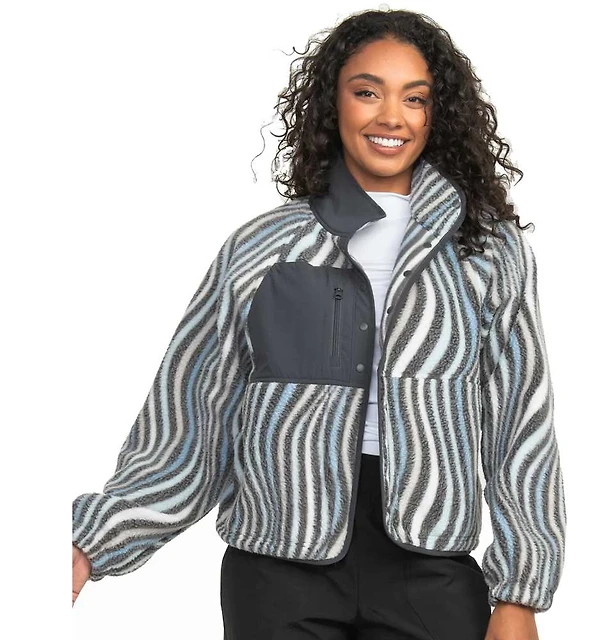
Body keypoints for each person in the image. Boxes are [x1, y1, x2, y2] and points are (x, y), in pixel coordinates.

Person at [72, 8, 567, 639]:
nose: (392, 117)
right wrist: (92, 541)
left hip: (430, 566)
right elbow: (192, 418)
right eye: (368, 92)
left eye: (415, 98)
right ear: (333, 104)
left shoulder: (488, 253)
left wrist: (520, 594)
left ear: (436, 115)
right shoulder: (261, 248)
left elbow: (522, 426)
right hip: (277, 568)